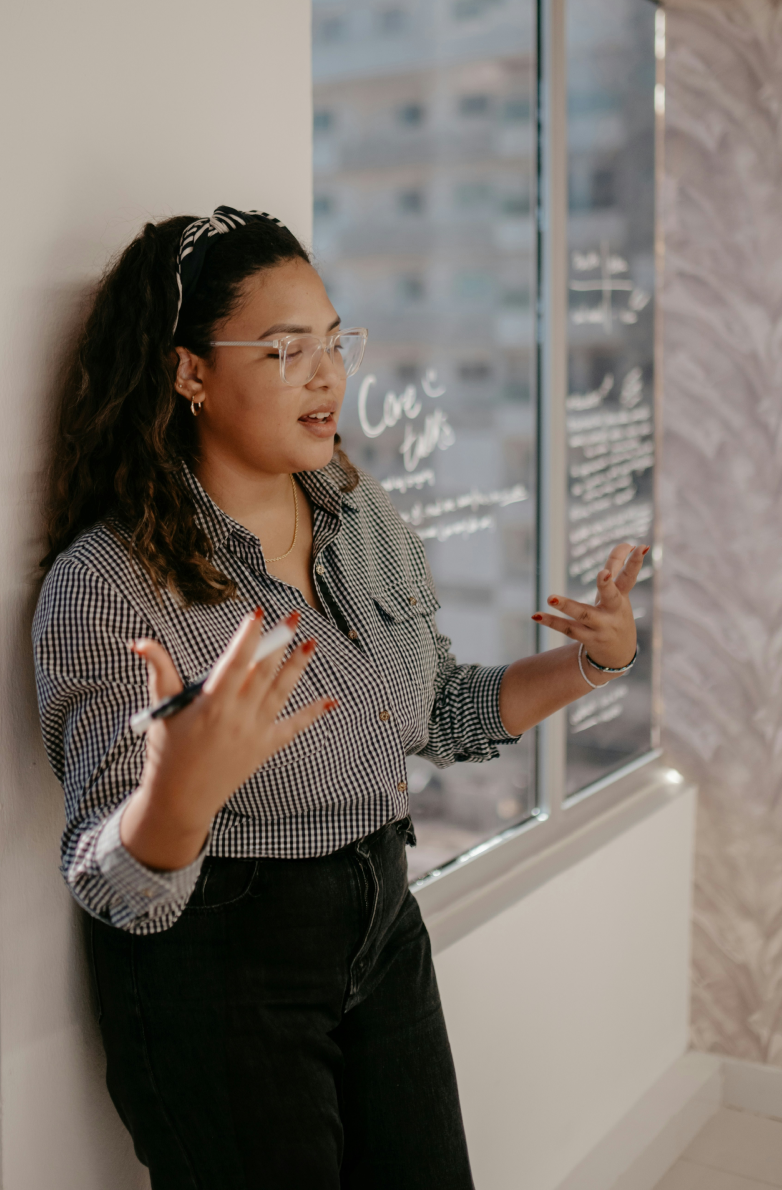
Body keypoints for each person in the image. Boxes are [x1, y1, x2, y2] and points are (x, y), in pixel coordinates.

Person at [32, 206, 647, 1190]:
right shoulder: (109, 583)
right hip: (220, 956)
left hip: (380, 914)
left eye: (333, 341)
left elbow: (438, 709)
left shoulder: (357, 514)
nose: (328, 375)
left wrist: (591, 664)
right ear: (189, 373)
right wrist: (177, 794)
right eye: (285, 351)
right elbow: (110, 885)